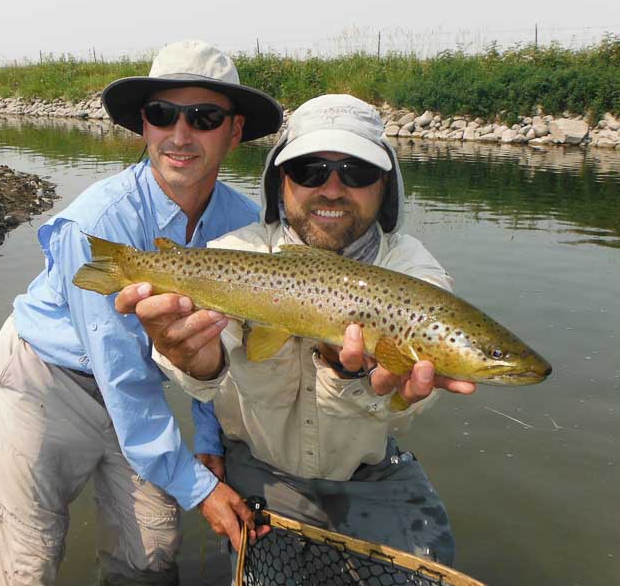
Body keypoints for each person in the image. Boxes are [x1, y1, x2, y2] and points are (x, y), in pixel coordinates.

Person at [115, 94, 478, 569]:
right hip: (258, 475)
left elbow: (413, 396)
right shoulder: (233, 255)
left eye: (356, 171)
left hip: (367, 478)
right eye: (309, 170)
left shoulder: (412, 273)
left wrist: (367, 381)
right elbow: (204, 374)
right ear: (280, 180)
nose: (331, 188)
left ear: (384, 184)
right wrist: (196, 361)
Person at [0, 40, 283, 585]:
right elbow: (118, 370)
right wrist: (201, 488)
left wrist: (210, 442)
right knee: (30, 561)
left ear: (235, 131)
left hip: (142, 382)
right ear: (144, 125)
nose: (180, 134)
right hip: (44, 382)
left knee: (152, 550)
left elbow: (219, 348)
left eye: (205, 117)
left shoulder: (243, 226)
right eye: (162, 114)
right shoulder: (95, 225)